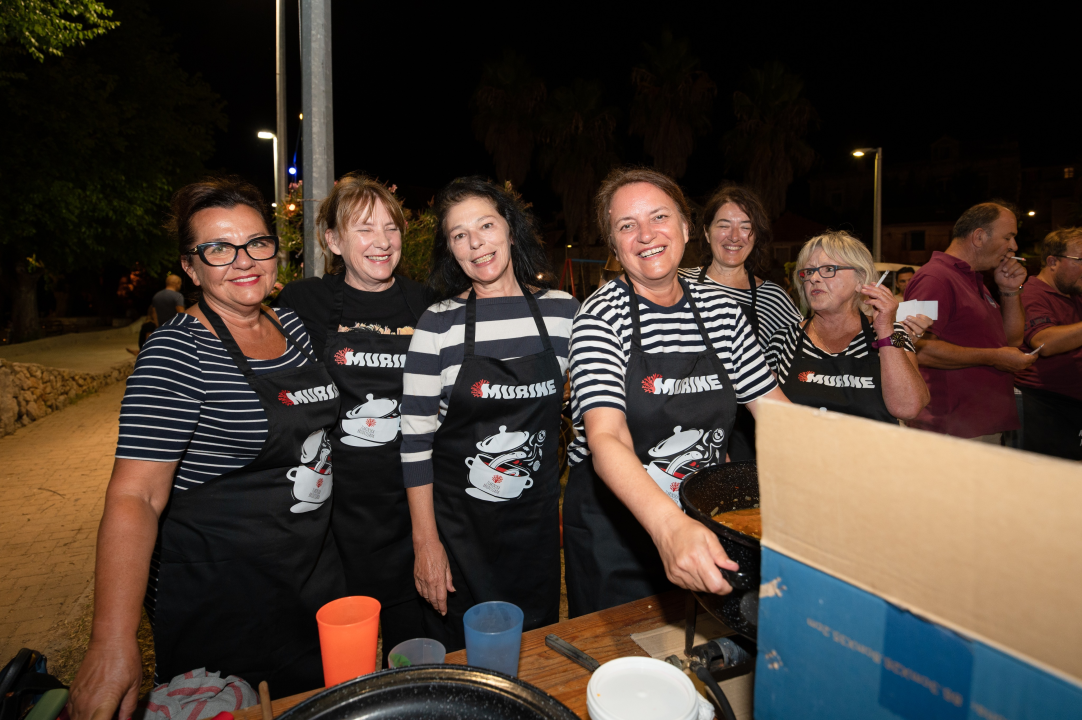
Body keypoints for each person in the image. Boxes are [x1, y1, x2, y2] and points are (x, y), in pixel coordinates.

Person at [70, 178, 344, 720]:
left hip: (311, 585)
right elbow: (136, 497)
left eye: (257, 242)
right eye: (218, 249)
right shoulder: (177, 350)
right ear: (192, 269)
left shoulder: (288, 323)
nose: (244, 261)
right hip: (224, 604)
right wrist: (111, 639)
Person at [563, 167, 788, 618]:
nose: (646, 234)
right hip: (618, 529)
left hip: (704, 517)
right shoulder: (601, 315)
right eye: (627, 225)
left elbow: (777, 414)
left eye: (659, 217)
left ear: (686, 227)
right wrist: (668, 527)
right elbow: (607, 436)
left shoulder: (722, 310)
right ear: (614, 244)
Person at [400, 177, 578, 652]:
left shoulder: (564, 314)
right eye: (460, 234)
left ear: (511, 231)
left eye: (486, 225)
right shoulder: (437, 324)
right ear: (451, 250)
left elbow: (590, 414)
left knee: (533, 656)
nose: (476, 243)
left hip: (535, 531)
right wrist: (426, 545)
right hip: (459, 538)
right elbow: (414, 446)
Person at [277, 174, 430, 664]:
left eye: (391, 228)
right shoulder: (302, 303)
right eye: (364, 229)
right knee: (345, 661)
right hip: (335, 518)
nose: (382, 242)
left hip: (411, 507)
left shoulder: (427, 305)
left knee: (414, 654)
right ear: (333, 241)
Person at [679, 183, 801, 460]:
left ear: (755, 236)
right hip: (682, 422)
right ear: (707, 232)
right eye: (724, 225)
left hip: (748, 432)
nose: (734, 236)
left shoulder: (773, 298)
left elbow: (800, 357)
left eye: (746, 227)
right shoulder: (678, 283)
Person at [766, 232, 931, 423]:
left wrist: (885, 330)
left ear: (860, 280)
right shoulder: (784, 339)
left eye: (829, 269)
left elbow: (908, 407)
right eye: (808, 272)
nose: (814, 279)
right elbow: (769, 415)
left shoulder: (894, 334)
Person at [905, 201, 1036, 442]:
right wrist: (994, 358)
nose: (1014, 247)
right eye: (1008, 237)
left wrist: (1009, 290)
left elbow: (1011, 340)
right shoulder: (933, 278)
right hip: (949, 428)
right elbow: (911, 349)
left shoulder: (974, 280)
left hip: (979, 425)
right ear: (978, 237)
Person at [1013, 227, 1082, 460]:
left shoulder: (1074, 293)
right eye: (1081, 260)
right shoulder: (1032, 294)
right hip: (1046, 407)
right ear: (1053, 261)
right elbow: (1044, 343)